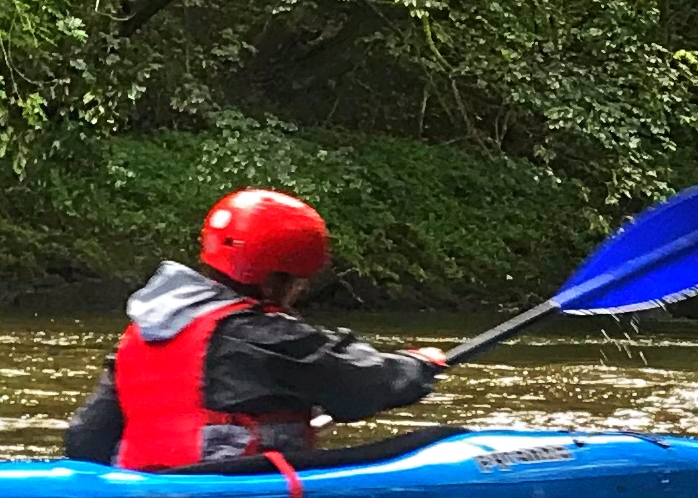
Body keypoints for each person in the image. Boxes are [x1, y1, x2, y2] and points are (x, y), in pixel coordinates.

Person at [61, 189, 453, 468]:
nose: (301, 289)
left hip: (145, 493)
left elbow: (85, 438)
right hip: (231, 493)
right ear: (272, 281)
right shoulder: (267, 335)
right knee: (443, 441)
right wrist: (416, 365)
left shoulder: (142, 335)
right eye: (300, 280)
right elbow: (360, 386)